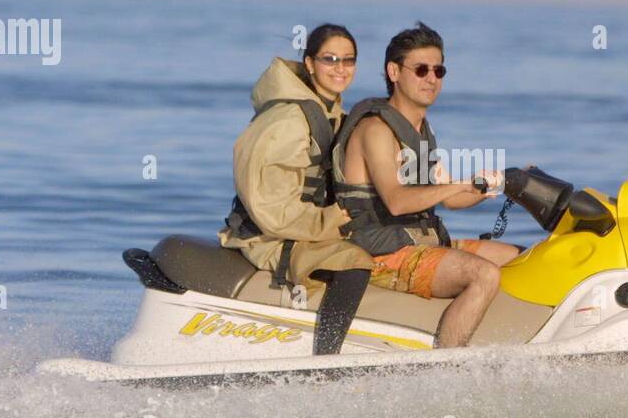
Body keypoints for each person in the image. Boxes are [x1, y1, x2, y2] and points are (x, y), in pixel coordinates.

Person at [333, 22, 519, 347]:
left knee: (523, 257)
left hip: (418, 240)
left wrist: (501, 184)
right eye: (421, 69)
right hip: (379, 253)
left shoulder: (418, 130)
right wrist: (456, 185)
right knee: (484, 274)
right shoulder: (376, 130)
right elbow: (397, 201)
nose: (431, 78)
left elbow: (451, 199)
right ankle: (445, 370)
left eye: (439, 70)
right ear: (394, 71)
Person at [219, 24, 373, 354]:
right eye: (330, 59)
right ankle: (325, 361)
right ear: (310, 62)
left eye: (348, 60)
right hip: (270, 237)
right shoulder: (288, 119)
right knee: (354, 261)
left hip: (302, 227)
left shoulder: (331, 113)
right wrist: (331, 220)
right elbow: (269, 209)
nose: (340, 68)